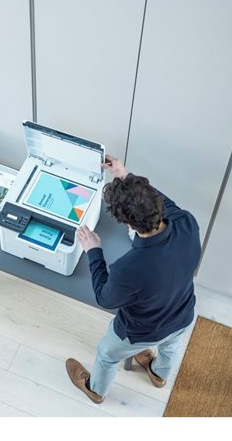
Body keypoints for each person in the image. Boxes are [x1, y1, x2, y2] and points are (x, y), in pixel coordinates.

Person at [65, 154, 201, 404]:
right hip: (183, 315)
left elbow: (105, 298)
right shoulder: (187, 222)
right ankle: (159, 375)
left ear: (128, 224)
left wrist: (93, 251)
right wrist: (125, 175)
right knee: (171, 346)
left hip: (141, 332)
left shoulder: (128, 269)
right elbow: (158, 200)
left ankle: (96, 390)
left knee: (106, 355)